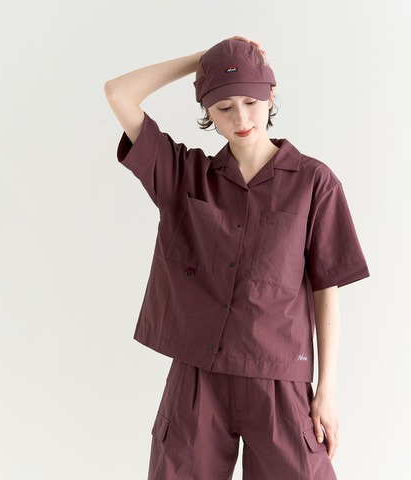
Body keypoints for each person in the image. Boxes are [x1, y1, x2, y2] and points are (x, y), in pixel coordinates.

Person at [104, 36, 369, 480]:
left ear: (271, 96)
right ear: (207, 111)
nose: (241, 118)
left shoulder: (314, 182)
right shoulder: (185, 176)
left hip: (278, 378)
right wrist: (201, 61)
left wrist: (326, 390)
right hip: (197, 378)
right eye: (224, 107)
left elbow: (326, 290)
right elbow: (118, 93)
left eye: (251, 102)